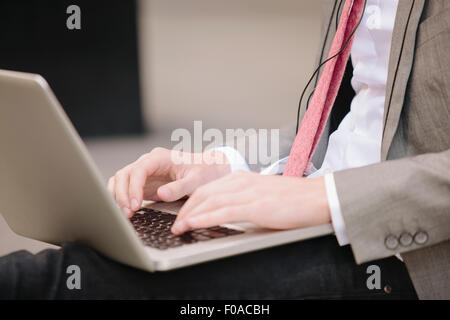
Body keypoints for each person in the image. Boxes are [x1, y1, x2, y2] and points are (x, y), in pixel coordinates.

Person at [1, 0, 449, 299]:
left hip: (400, 256)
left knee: (51, 283)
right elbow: (352, 128)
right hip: (319, 213)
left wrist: (331, 197)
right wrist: (222, 166)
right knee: (98, 256)